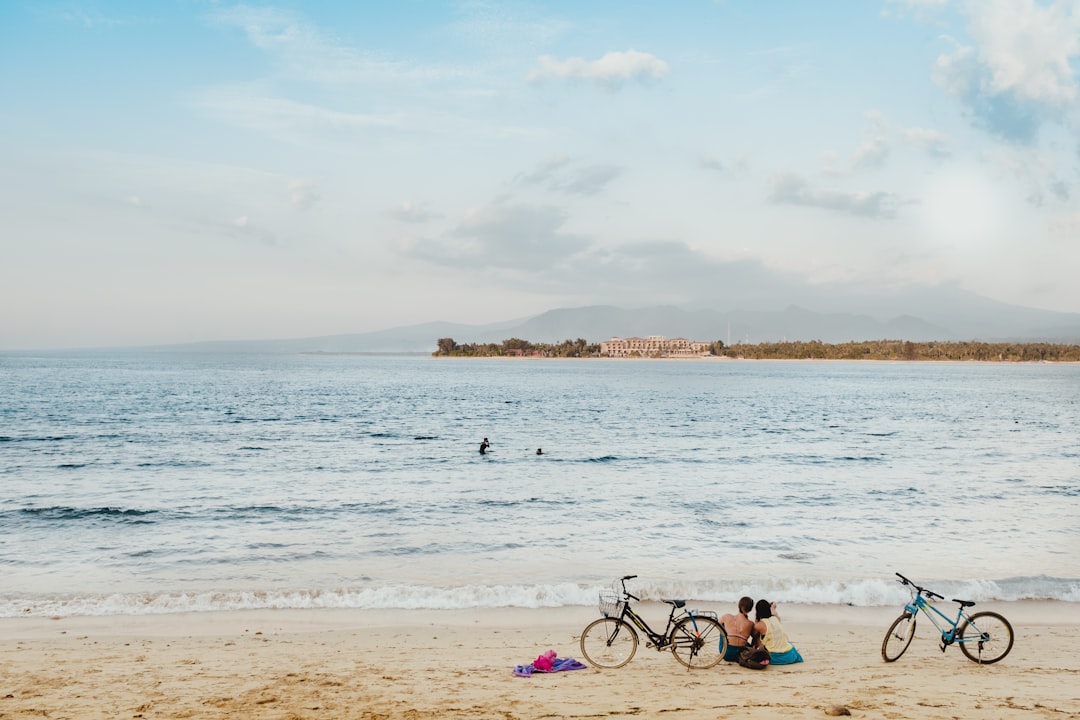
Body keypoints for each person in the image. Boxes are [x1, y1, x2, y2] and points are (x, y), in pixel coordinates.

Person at [752, 599, 804, 665]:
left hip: (774, 658)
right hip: (789, 656)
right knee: (788, 643)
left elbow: (753, 636)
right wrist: (773, 608)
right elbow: (775, 613)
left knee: (758, 638)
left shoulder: (759, 625)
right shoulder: (776, 618)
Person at [720, 596, 756, 662]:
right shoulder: (750, 624)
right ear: (750, 609)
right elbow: (755, 637)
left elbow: (716, 623)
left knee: (722, 627)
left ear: (739, 605)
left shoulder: (726, 616)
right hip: (741, 655)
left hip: (725, 653)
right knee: (747, 638)